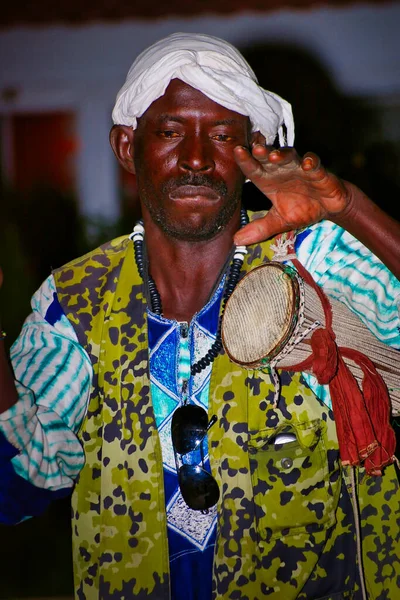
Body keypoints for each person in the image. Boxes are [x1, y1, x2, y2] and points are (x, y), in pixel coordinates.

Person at [1, 32, 399, 600]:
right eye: (168, 133)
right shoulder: (73, 303)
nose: (194, 158)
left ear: (257, 147)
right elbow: (15, 491)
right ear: (124, 147)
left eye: (221, 135)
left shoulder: (313, 260)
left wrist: (349, 209)